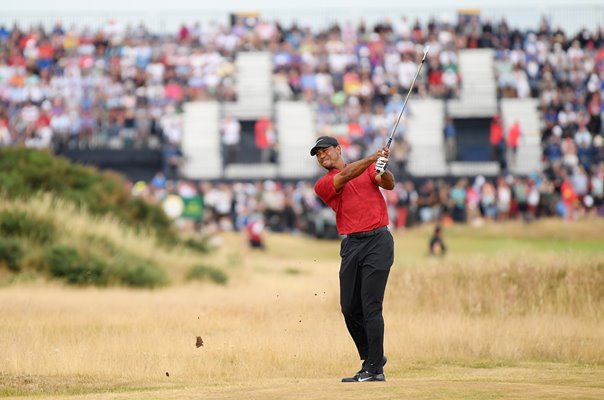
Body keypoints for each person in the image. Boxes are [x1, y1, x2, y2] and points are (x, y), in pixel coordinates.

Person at [311, 135, 395, 383]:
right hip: (352, 245)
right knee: (349, 307)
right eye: (318, 155)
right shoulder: (323, 184)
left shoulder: (368, 168)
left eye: (325, 151)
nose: (322, 156)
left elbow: (387, 183)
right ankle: (373, 357)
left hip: (378, 242)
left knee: (371, 306)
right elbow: (345, 177)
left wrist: (382, 168)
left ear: (338, 149)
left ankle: (374, 369)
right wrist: (372, 157)